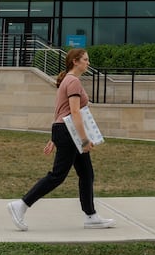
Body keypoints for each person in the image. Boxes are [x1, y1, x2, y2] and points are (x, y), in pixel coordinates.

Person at [7, 48, 114, 231]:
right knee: (57, 175)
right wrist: (84, 140)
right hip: (69, 133)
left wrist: (55, 138)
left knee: (86, 173)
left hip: (64, 131)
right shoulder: (73, 82)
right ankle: (21, 205)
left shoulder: (68, 81)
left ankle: (91, 216)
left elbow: (59, 111)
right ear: (75, 61)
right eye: (86, 60)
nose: (88, 63)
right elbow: (73, 112)